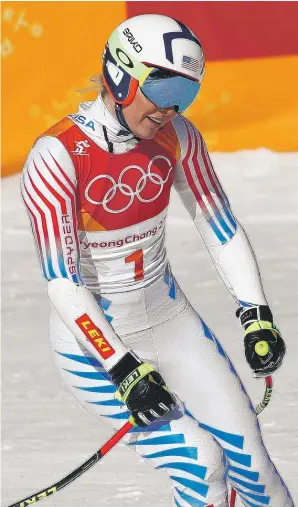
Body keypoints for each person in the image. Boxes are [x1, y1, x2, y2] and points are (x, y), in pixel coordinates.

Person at [21, 13, 293, 507]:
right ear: (121, 76)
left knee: (255, 470)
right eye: (165, 89)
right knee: (202, 466)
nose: (172, 109)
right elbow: (62, 280)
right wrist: (121, 366)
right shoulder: (56, 155)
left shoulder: (179, 137)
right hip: (94, 348)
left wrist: (256, 315)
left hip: (169, 322)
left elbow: (221, 228)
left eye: (186, 95)